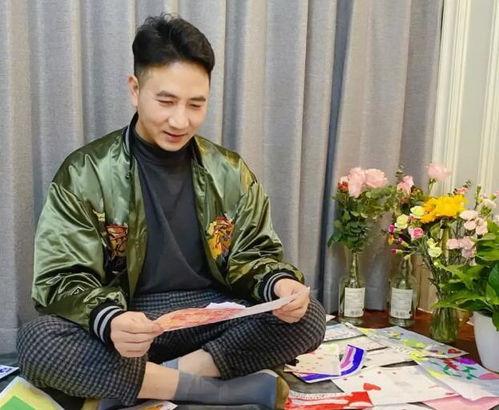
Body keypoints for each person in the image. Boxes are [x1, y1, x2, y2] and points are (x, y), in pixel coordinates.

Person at [17, 14, 326, 409]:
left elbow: (254, 255)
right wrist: (111, 320)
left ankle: (147, 383)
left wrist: (280, 286)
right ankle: (218, 390)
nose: (181, 120)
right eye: (166, 101)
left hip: (212, 318)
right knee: (38, 341)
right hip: (132, 321)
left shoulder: (230, 172)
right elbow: (62, 278)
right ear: (135, 89)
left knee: (309, 316)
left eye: (196, 105)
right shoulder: (85, 172)